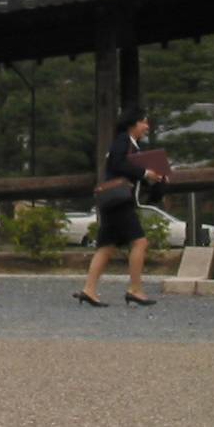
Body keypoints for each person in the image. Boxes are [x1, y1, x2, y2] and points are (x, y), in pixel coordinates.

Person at [76, 106, 168, 308]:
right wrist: (145, 173)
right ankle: (135, 289)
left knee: (106, 247)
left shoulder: (129, 145)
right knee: (140, 243)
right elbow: (118, 165)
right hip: (120, 203)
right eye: (144, 122)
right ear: (133, 123)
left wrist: (154, 180)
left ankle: (89, 290)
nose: (147, 126)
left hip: (111, 203)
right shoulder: (123, 141)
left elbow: (127, 170)